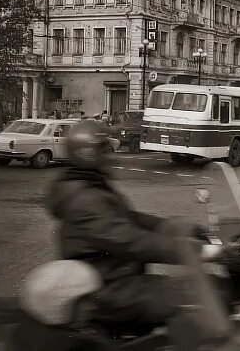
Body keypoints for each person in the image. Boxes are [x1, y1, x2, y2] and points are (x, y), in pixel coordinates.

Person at [45, 120, 228, 338]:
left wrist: (180, 227)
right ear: (89, 153)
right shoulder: (85, 199)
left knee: (202, 291)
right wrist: (199, 251)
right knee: (203, 295)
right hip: (109, 290)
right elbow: (133, 241)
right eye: (105, 149)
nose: (111, 155)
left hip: (117, 281)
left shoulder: (89, 187)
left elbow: (131, 219)